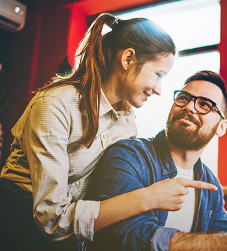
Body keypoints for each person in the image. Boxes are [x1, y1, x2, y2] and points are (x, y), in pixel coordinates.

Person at [0, 14, 216, 250]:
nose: (159, 90)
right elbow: (52, 220)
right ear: (128, 58)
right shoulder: (55, 105)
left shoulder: (127, 123)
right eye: (158, 75)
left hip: (70, 231)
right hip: (19, 220)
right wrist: (150, 197)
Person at [88, 70, 227, 251]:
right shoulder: (128, 155)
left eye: (205, 105)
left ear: (222, 127)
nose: (189, 107)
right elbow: (122, 239)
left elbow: (223, 239)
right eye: (183, 98)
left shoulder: (210, 182)